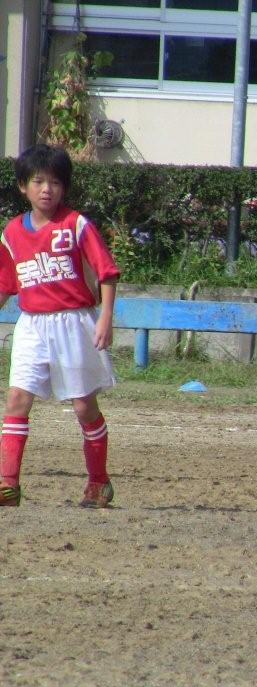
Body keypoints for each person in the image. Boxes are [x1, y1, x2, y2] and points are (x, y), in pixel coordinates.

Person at [0, 144, 120, 508]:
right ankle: (7, 484)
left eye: (54, 182)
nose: (46, 189)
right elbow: (5, 284)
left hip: (73, 323)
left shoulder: (75, 225)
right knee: (17, 399)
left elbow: (107, 272)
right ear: (23, 186)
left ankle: (98, 481)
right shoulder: (12, 233)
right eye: (38, 181)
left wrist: (105, 317)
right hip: (31, 325)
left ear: (64, 187)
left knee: (83, 406)